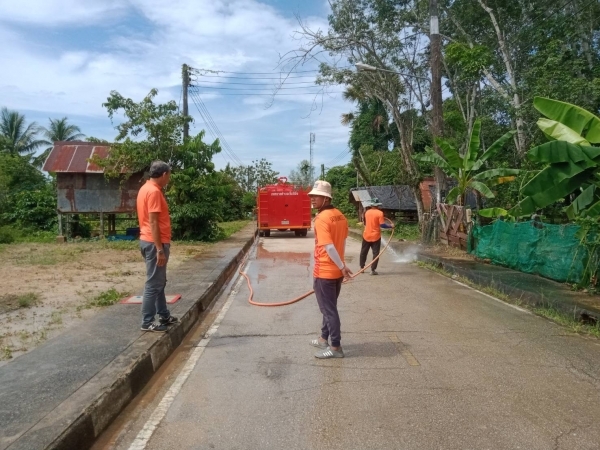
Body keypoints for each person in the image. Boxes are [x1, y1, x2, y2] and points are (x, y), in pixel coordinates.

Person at [308, 180, 352, 359]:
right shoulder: (340, 215)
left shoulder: (321, 219)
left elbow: (329, 247)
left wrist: (342, 267)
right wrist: (341, 266)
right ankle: (323, 338)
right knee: (330, 307)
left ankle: (335, 347)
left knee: (329, 310)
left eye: (316, 196)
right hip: (335, 273)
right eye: (312, 196)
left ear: (325, 199)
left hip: (325, 272)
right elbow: (341, 241)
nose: (312, 199)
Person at [136, 160, 179, 332]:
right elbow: (153, 222)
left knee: (159, 281)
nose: (169, 179)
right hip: (155, 243)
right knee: (154, 283)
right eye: (168, 175)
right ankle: (147, 322)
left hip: (148, 241)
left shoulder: (145, 188)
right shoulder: (153, 192)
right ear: (164, 174)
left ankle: (164, 314)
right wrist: (159, 249)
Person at [359, 198, 393, 275]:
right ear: (377, 205)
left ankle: (362, 268)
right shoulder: (380, 213)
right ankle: (372, 270)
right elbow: (382, 225)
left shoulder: (367, 212)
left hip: (366, 235)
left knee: (363, 252)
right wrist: (391, 226)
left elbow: (365, 223)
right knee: (375, 253)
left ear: (371, 205)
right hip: (375, 236)